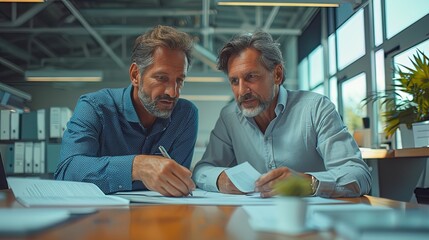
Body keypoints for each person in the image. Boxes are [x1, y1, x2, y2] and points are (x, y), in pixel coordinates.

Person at [193, 30, 371, 198]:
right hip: (254, 220)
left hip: (314, 221)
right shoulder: (229, 117)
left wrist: (307, 182)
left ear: (277, 74)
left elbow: (359, 175)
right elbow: (202, 169)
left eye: (251, 77)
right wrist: (220, 179)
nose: (241, 91)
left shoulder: (316, 108)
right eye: (234, 81)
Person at [55, 25, 197, 197]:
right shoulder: (94, 106)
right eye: (162, 78)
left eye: (179, 81)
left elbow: (176, 185)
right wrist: (137, 166)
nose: (173, 92)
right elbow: (67, 172)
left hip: (159, 217)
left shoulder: (185, 115)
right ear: (136, 75)